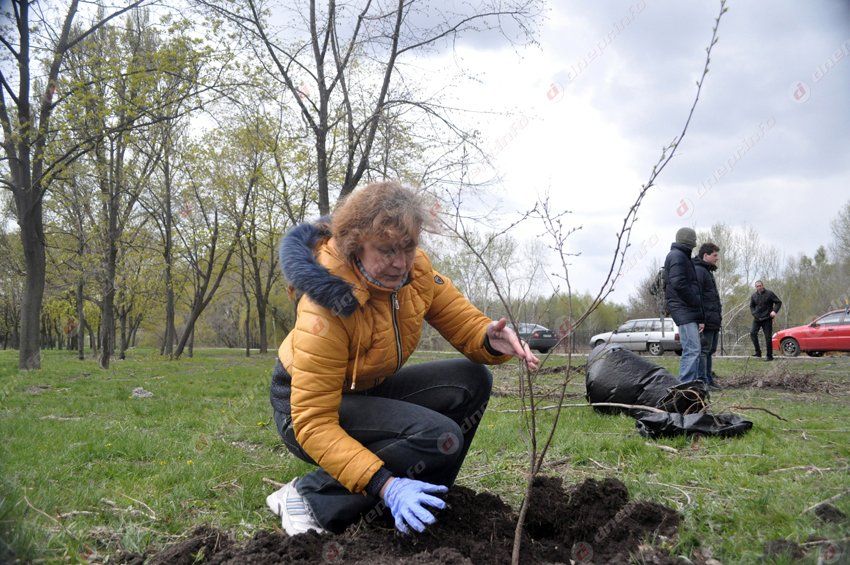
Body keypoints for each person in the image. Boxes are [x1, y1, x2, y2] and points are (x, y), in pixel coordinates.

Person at [266, 181, 540, 537]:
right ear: (355, 243)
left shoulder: (416, 273)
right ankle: (309, 495)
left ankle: (428, 502)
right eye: (386, 250)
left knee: (470, 381)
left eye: (408, 247)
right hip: (302, 409)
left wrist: (489, 337)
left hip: (362, 390)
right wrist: (386, 484)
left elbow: (460, 318)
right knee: (438, 435)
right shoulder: (326, 304)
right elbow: (313, 424)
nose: (400, 263)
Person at [663, 227, 705, 383]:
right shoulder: (677, 256)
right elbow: (678, 282)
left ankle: (691, 384)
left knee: (694, 349)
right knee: (692, 349)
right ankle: (684, 386)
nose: (695, 242)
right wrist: (694, 300)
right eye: (693, 239)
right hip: (683, 308)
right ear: (689, 240)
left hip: (686, 309)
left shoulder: (682, 256)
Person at [693, 242, 721, 388]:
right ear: (705, 255)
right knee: (703, 351)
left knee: (710, 351)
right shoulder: (699, 270)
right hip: (705, 321)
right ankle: (702, 382)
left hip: (713, 321)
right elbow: (697, 297)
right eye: (715, 255)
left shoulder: (707, 271)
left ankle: (709, 380)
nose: (717, 258)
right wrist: (701, 319)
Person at [749, 280, 782, 361]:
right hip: (757, 318)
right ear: (755, 287)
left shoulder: (769, 293)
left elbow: (778, 302)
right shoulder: (754, 296)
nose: (759, 287)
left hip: (767, 318)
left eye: (760, 285)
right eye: (757, 286)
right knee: (752, 333)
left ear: (763, 285)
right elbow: (751, 306)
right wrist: (754, 313)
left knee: (768, 337)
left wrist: (774, 311)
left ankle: (769, 356)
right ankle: (758, 352)